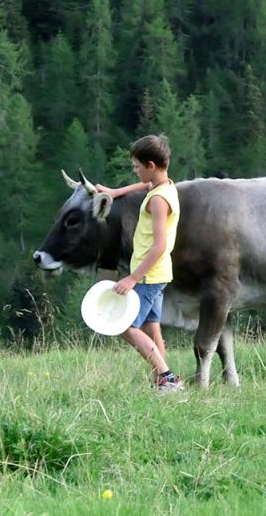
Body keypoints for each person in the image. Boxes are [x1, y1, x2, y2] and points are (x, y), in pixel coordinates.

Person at [95, 134, 183, 392]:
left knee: (124, 326)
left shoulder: (158, 200)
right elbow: (143, 187)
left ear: (151, 166)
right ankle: (162, 380)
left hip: (147, 275)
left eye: (136, 166)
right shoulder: (164, 186)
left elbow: (159, 245)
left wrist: (133, 278)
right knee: (150, 326)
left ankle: (167, 377)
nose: (134, 172)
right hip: (158, 274)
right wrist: (115, 192)